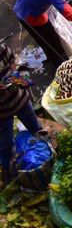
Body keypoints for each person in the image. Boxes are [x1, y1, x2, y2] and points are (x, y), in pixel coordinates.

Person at [0, 44, 43, 185]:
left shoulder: (1, 48)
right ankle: (7, 170)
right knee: (6, 142)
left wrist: (13, 74)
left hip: (18, 98)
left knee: (35, 128)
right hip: (2, 112)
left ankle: (45, 153)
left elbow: (11, 58)